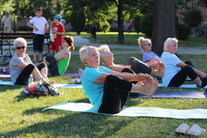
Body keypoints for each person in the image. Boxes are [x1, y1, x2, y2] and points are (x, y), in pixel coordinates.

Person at [79, 46, 158, 114]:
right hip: (105, 108)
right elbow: (114, 76)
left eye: (97, 54)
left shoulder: (101, 68)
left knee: (126, 72)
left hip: (118, 104)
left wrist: (138, 77)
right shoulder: (88, 72)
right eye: (93, 55)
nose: (97, 57)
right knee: (110, 78)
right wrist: (137, 76)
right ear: (85, 59)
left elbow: (119, 74)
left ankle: (144, 88)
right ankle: (143, 89)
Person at [98, 45, 165, 78]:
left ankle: (156, 72)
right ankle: (157, 73)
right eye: (108, 52)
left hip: (132, 76)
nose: (111, 54)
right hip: (130, 80)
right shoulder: (110, 68)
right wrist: (150, 65)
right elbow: (128, 69)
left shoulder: (113, 65)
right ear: (104, 59)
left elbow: (126, 67)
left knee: (131, 59)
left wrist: (147, 64)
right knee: (135, 63)